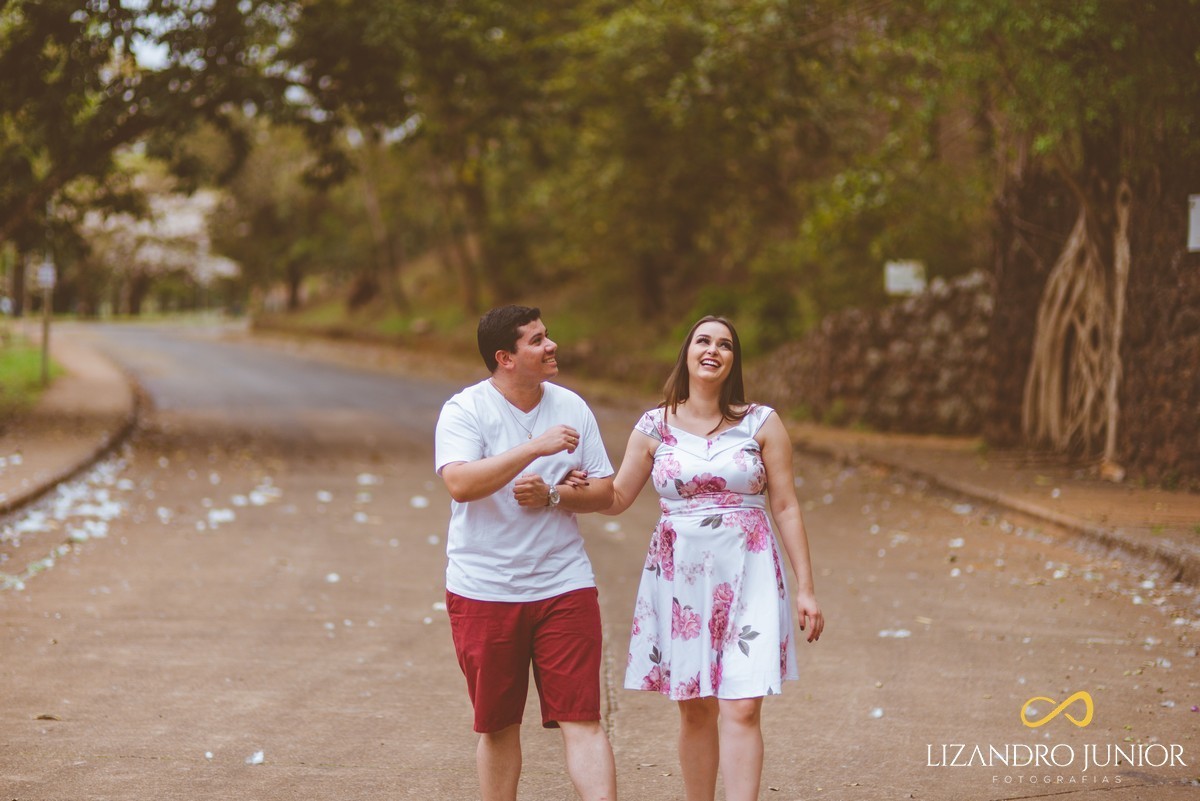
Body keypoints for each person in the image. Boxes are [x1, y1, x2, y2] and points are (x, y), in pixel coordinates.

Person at [602, 315, 824, 801]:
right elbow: (617, 496)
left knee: (742, 706)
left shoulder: (762, 422)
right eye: (703, 340)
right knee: (695, 707)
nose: (713, 350)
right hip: (680, 575)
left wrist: (806, 587)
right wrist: (561, 491)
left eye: (725, 345)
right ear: (686, 352)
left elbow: (785, 505)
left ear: (732, 361)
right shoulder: (653, 425)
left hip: (751, 570)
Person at [434, 304, 618, 801]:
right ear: (505, 357)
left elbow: (605, 492)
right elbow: (459, 483)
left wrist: (556, 495)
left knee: (583, 717)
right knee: (497, 726)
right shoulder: (465, 410)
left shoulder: (572, 406)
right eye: (536, 340)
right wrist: (535, 449)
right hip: (484, 590)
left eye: (547, 335)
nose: (551, 345)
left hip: (564, 584)